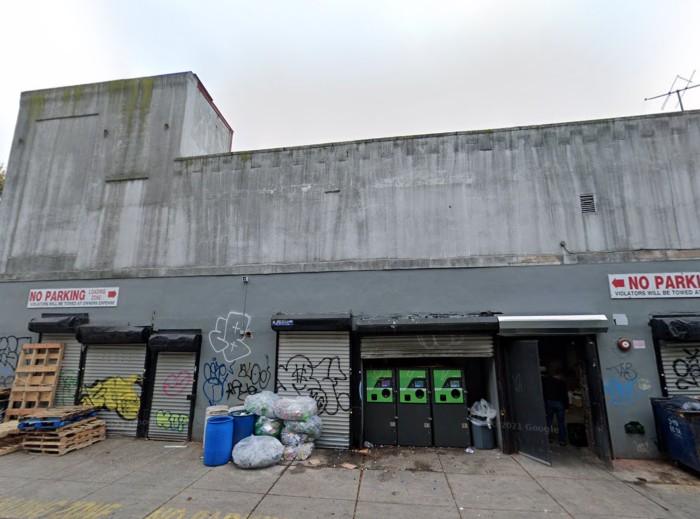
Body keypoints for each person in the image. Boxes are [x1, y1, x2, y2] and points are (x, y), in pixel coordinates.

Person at [541, 368, 569, 446]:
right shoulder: (562, 383)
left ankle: (548, 438)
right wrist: (566, 407)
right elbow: (565, 396)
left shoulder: (547, 381)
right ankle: (562, 440)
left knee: (549, 421)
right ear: (559, 375)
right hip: (559, 403)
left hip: (549, 402)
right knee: (561, 422)